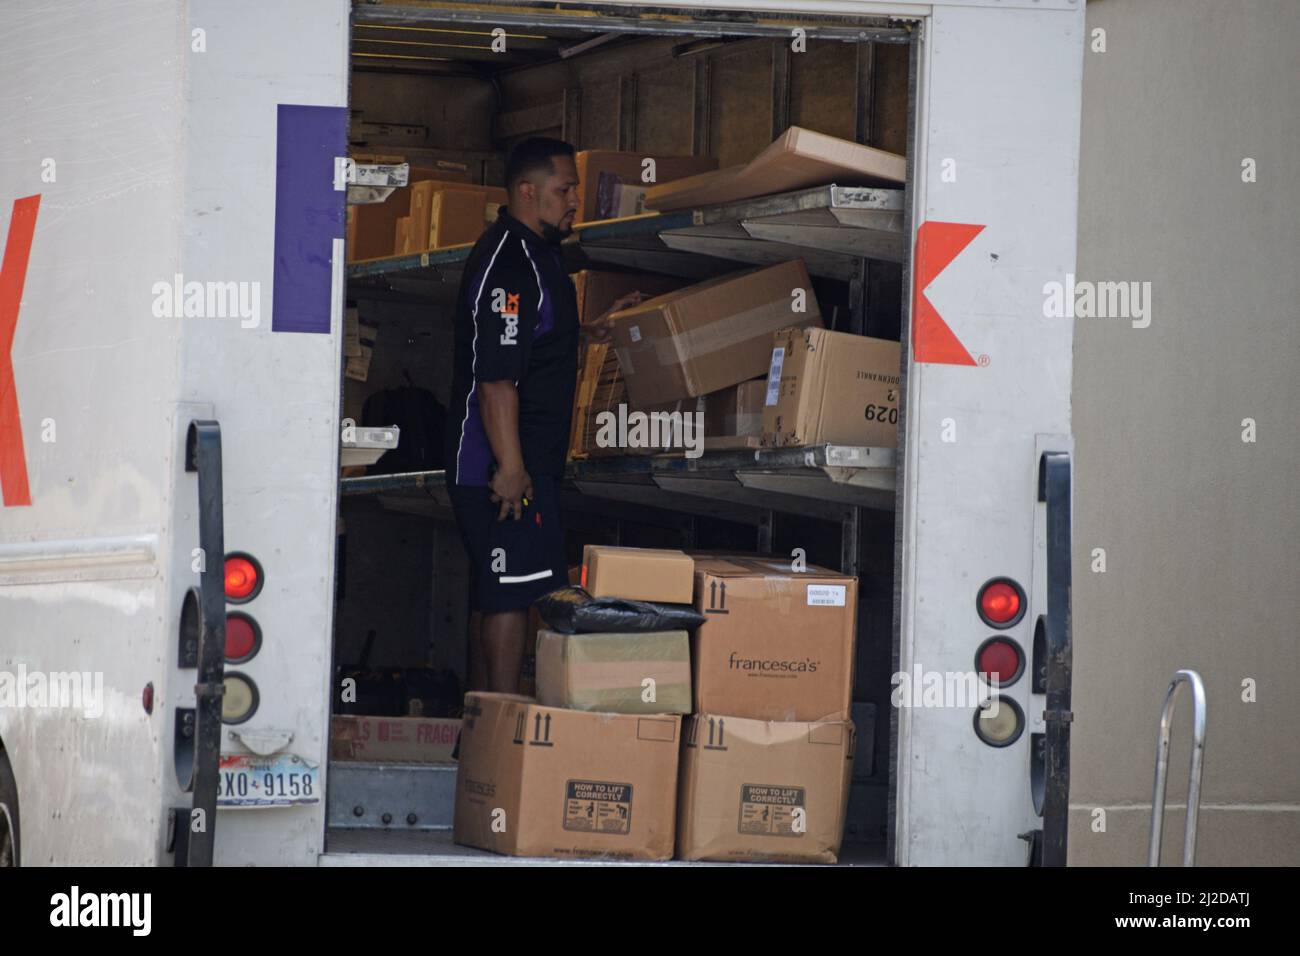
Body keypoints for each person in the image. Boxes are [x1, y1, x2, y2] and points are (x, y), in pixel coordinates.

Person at [444, 137, 643, 694]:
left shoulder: (540, 255)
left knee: (500, 588)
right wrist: (509, 467)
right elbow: (496, 379)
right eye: (565, 189)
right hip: (500, 466)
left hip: (526, 461)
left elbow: (528, 343)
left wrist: (588, 330)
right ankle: (504, 724)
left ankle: (483, 724)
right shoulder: (508, 263)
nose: (576, 200)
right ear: (528, 192)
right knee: (510, 594)